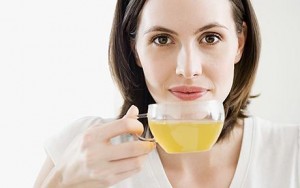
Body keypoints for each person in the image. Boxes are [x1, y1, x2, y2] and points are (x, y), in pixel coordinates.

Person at [34, 0, 300, 187]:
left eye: (210, 38)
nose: (188, 69)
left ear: (239, 44)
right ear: (135, 49)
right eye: (162, 39)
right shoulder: (82, 149)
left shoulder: (293, 154)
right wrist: (61, 183)